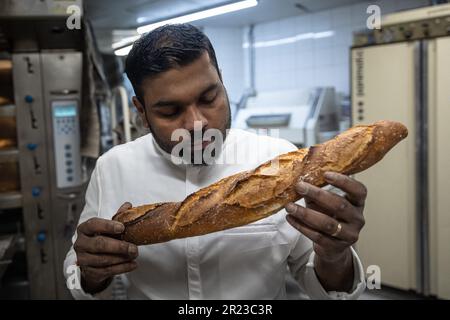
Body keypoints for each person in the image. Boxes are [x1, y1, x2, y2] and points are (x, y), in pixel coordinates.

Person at [64, 24, 367, 299]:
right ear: (141, 111)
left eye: (209, 98)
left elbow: (321, 283)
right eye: (170, 111)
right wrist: (91, 273)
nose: (196, 123)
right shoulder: (112, 168)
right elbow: (84, 279)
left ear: (223, 83)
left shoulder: (277, 160)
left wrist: (334, 255)